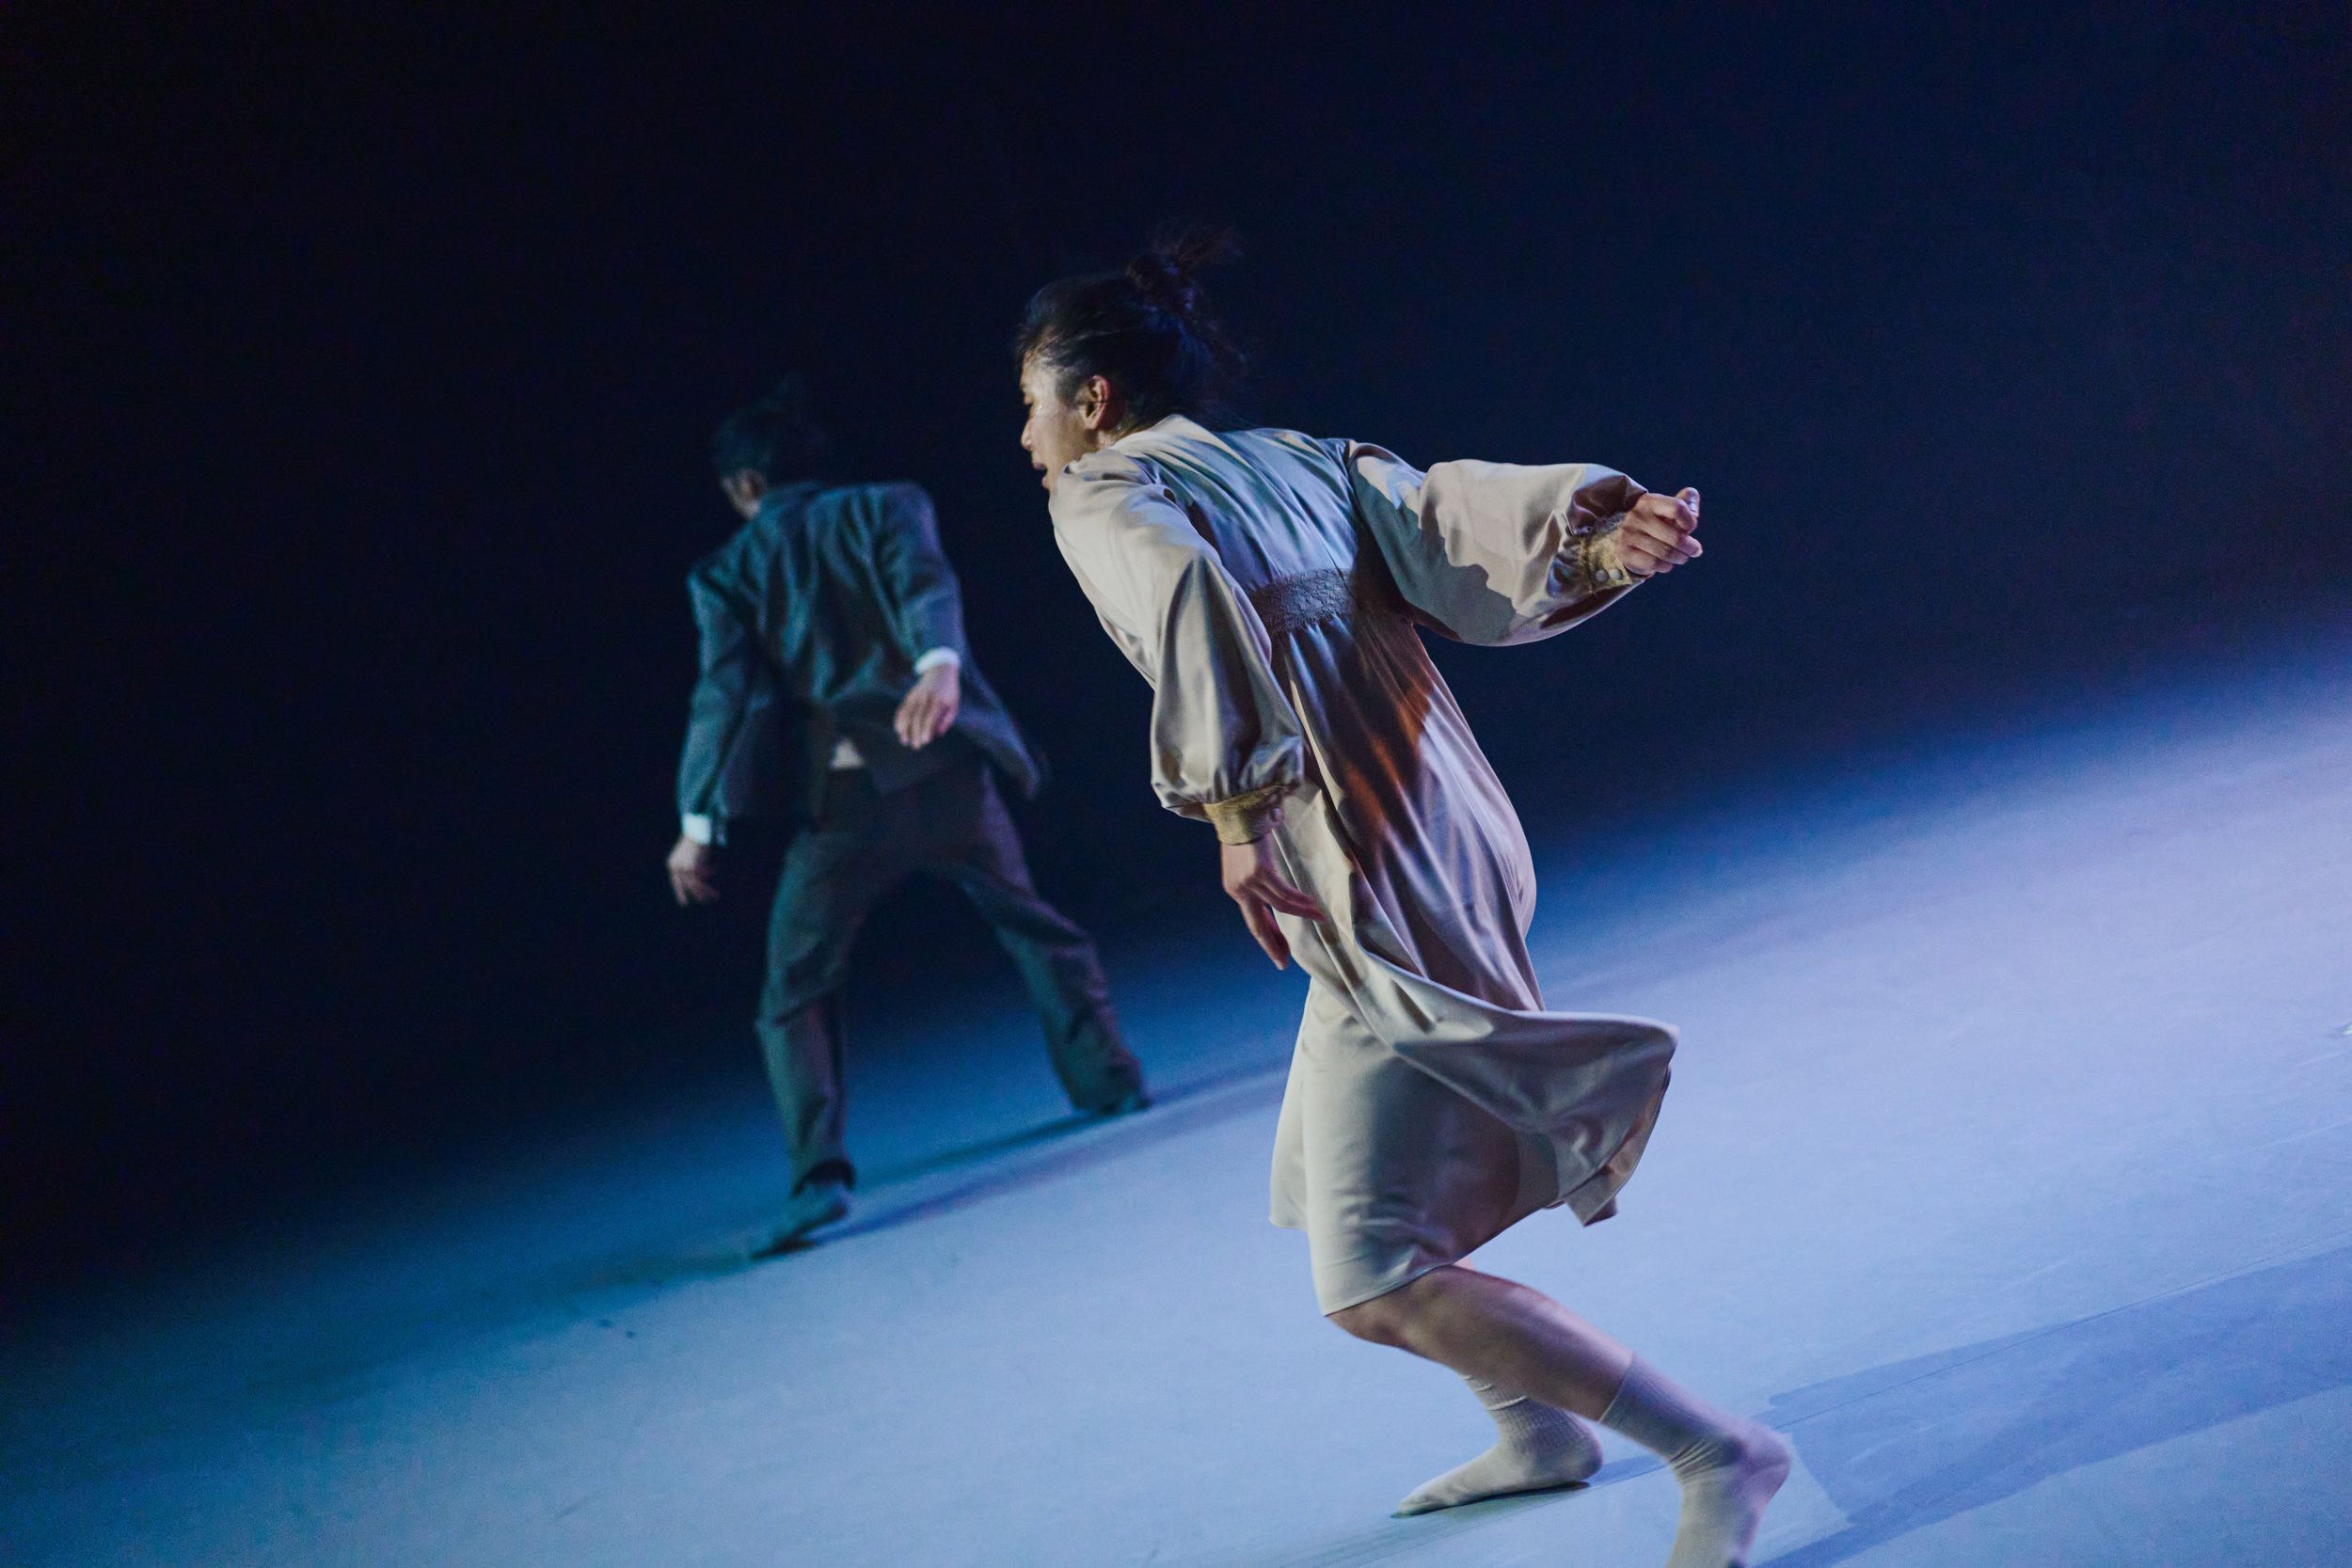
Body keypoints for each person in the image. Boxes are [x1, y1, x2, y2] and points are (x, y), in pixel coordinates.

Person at [1017, 234, 1788, 1566]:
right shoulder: (1305, 455)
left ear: (1090, 400)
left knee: (1371, 1272)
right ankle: (1539, 1430)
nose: (1025, 432)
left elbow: (1193, 593)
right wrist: (1600, 539)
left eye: (1030, 398)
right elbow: (1448, 524)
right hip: (1451, 815)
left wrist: (1235, 815)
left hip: (1356, 847)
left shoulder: (1107, 485)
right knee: (1329, 1183)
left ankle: (1716, 1446)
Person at [671, 379, 1148, 1253]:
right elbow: (924, 584)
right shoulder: (890, 504)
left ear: (744, 487)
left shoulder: (728, 570)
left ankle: (819, 1172)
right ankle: (1109, 1079)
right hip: (944, 771)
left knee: (792, 994)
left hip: (846, 802)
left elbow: (724, 699)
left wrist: (699, 824)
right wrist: (939, 664)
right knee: (1034, 924)